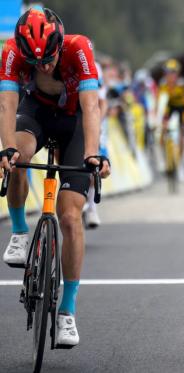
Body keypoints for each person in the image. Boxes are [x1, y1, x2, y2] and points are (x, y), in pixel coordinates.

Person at [0, 6, 110, 347]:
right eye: (36, 63)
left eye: (49, 59)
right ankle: (19, 231)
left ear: (60, 43)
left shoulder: (79, 47)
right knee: (19, 155)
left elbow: (92, 106)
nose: (44, 66)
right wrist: (6, 149)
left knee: (70, 216)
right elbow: (6, 105)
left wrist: (93, 153)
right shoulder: (10, 52)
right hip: (35, 113)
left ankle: (67, 311)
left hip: (73, 121)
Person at [83, 61, 109, 228]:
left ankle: (92, 207)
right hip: (73, 116)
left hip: (93, 117)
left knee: (93, 163)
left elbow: (102, 102)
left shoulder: (94, 67)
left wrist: (97, 123)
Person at [157, 58, 184, 181]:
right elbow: (160, 102)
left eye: (172, 72)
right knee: (160, 132)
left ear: (177, 73)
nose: (169, 75)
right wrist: (161, 120)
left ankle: (180, 162)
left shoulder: (182, 84)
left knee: (182, 137)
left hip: (182, 109)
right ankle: (164, 159)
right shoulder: (162, 85)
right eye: (167, 72)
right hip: (169, 108)